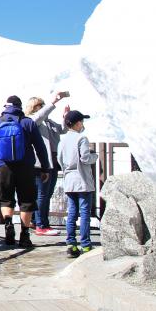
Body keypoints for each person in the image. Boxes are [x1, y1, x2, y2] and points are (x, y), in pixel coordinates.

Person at [0, 95, 51, 248]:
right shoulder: (28, 123)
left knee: (6, 199)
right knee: (26, 201)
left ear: (5, 107)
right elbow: (40, 147)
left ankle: (8, 227)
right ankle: (25, 235)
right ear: (20, 107)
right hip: (26, 167)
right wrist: (45, 168)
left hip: (3, 167)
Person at [57, 110, 97, 257]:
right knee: (85, 213)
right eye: (82, 122)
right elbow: (85, 158)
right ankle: (86, 245)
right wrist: (95, 156)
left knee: (72, 212)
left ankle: (71, 244)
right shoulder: (82, 138)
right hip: (82, 179)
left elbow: (60, 159)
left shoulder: (63, 139)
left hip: (69, 180)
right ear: (78, 123)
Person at [29, 92, 68, 236]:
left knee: (46, 194)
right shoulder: (32, 121)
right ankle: (42, 225)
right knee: (42, 195)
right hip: (41, 164)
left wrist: (65, 117)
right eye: (40, 106)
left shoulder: (49, 122)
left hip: (52, 162)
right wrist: (54, 103)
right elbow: (37, 118)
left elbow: (62, 129)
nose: (44, 108)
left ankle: (35, 220)